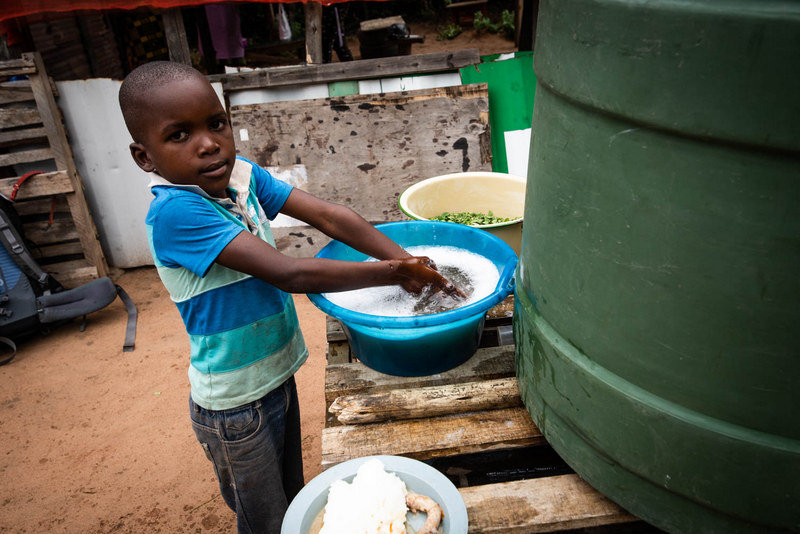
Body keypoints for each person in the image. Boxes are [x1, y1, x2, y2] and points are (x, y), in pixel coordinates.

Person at [117, 61, 460, 534]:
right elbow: (290, 272)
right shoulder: (177, 212)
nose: (208, 143)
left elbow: (330, 217)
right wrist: (392, 272)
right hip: (235, 405)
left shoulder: (239, 175)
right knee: (267, 523)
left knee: (294, 501)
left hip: (276, 376)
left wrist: (409, 263)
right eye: (179, 135)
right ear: (144, 157)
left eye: (216, 124)